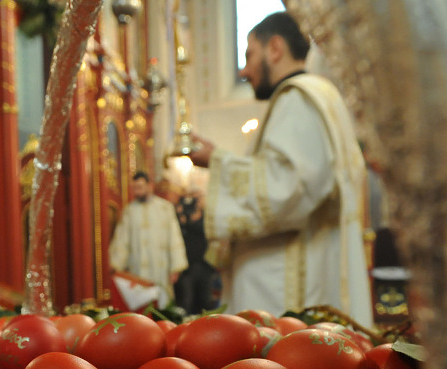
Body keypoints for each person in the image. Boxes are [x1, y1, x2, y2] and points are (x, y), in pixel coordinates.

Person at [188, 11, 373, 325]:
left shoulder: (298, 100)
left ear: (275, 48)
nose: (244, 71)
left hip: (289, 297)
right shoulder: (315, 98)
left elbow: (288, 188)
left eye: (250, 55)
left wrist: (217, 160)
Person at [109, 171, 188, 307]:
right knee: (142, 306)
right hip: (137, 267)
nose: (137, 192)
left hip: (161, 266)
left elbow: (174, 236)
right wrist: (117, 265)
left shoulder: (165, 208)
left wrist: (176, 267)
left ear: (149, 186)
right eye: (134, 188)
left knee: (162, 304)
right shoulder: (129, 211)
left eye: (140, 187)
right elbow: (122, 240)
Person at [173, 186, 216, 315]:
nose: (193, 201)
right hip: (187, 267)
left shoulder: (208, 217)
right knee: (186, 302)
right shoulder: (180, 215)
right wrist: (181, 214)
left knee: (206, 301)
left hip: (204, 265)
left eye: (197, 197)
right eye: (191, 197)